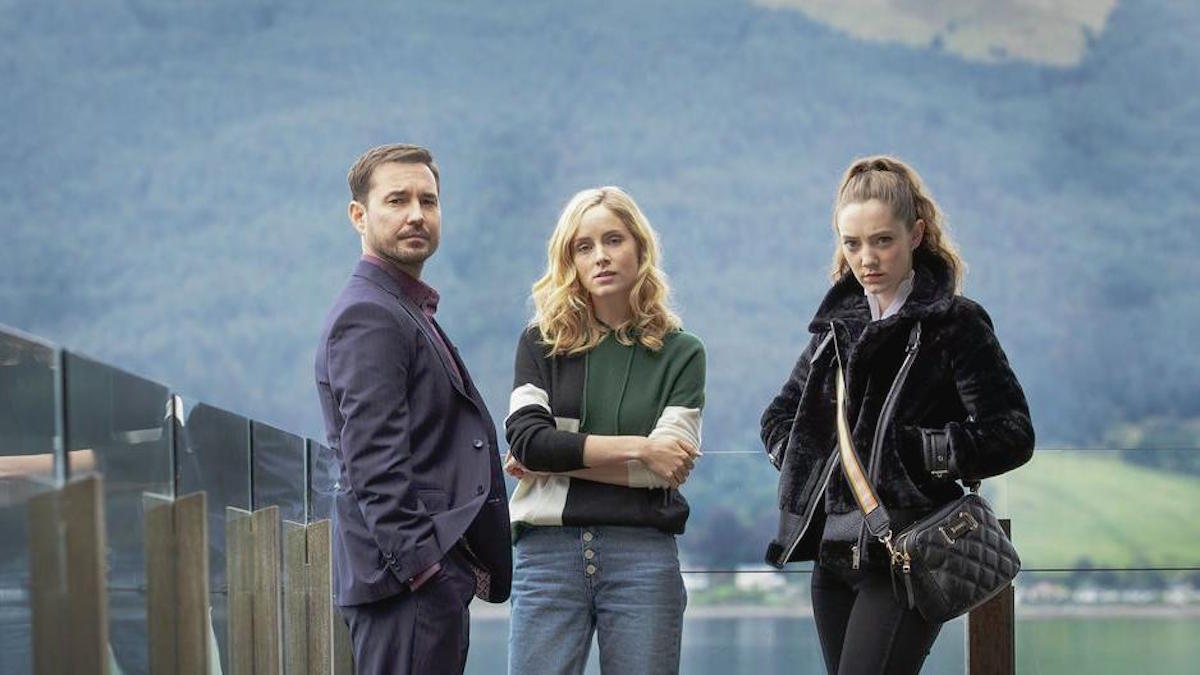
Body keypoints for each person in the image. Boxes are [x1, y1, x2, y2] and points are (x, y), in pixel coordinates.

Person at [761, 156, 1034, 674]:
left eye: (882, 240)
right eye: (852, 243)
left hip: (906, 551)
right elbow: (778, 417)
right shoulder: (834, 330)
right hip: (832, 558)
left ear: (916, 234)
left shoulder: (956, 323)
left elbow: (1012, 433)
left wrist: (918, 453)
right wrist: (807, 461)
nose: (866, 258)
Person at [314, 143, 512, 674]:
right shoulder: (369, 314)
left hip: (416, 582)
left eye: (428, 200)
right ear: (359, 216)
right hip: (406, 586)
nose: (417, 214)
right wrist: (425, 570)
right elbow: (373, 462)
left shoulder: (399, 307)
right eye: (397, 200)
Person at [503, 186, 705, 674]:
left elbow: (665, 470)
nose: (601, 256)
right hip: (546, 558)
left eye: (613, 240)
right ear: (570, 260)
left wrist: (552, 463)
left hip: (643, 557)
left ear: (639, 247)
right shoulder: (541, 344)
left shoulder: (682, 353)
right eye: (584, 246)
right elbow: (527, 441)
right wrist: (640, 448)